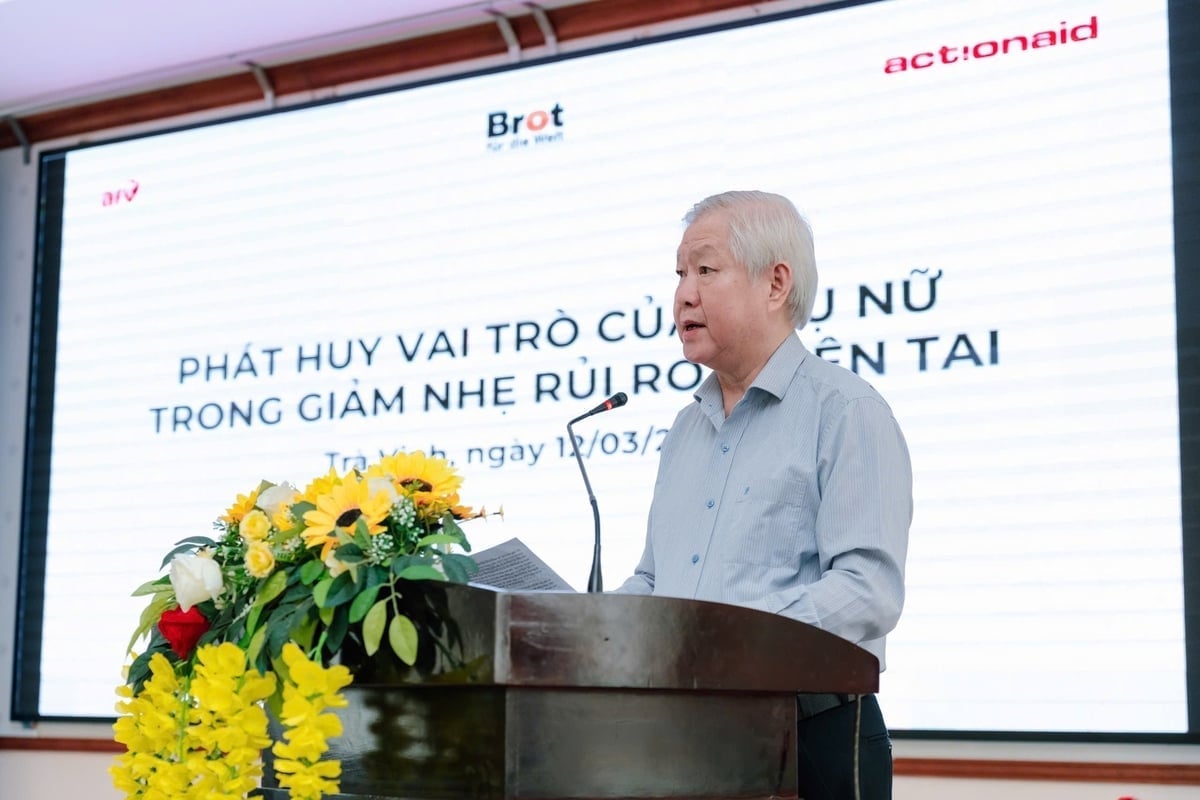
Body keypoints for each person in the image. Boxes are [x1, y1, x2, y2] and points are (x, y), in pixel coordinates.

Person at [614, 190, 912, 800]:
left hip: (811, 741)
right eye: (678, 274)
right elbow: (653, 579)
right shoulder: (684, 429)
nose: (682, 295)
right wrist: (585, 629)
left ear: (776, 284)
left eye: (704, 269)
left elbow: (867, 589)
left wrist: (728, 649)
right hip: (686, 738)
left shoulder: (846, 411)